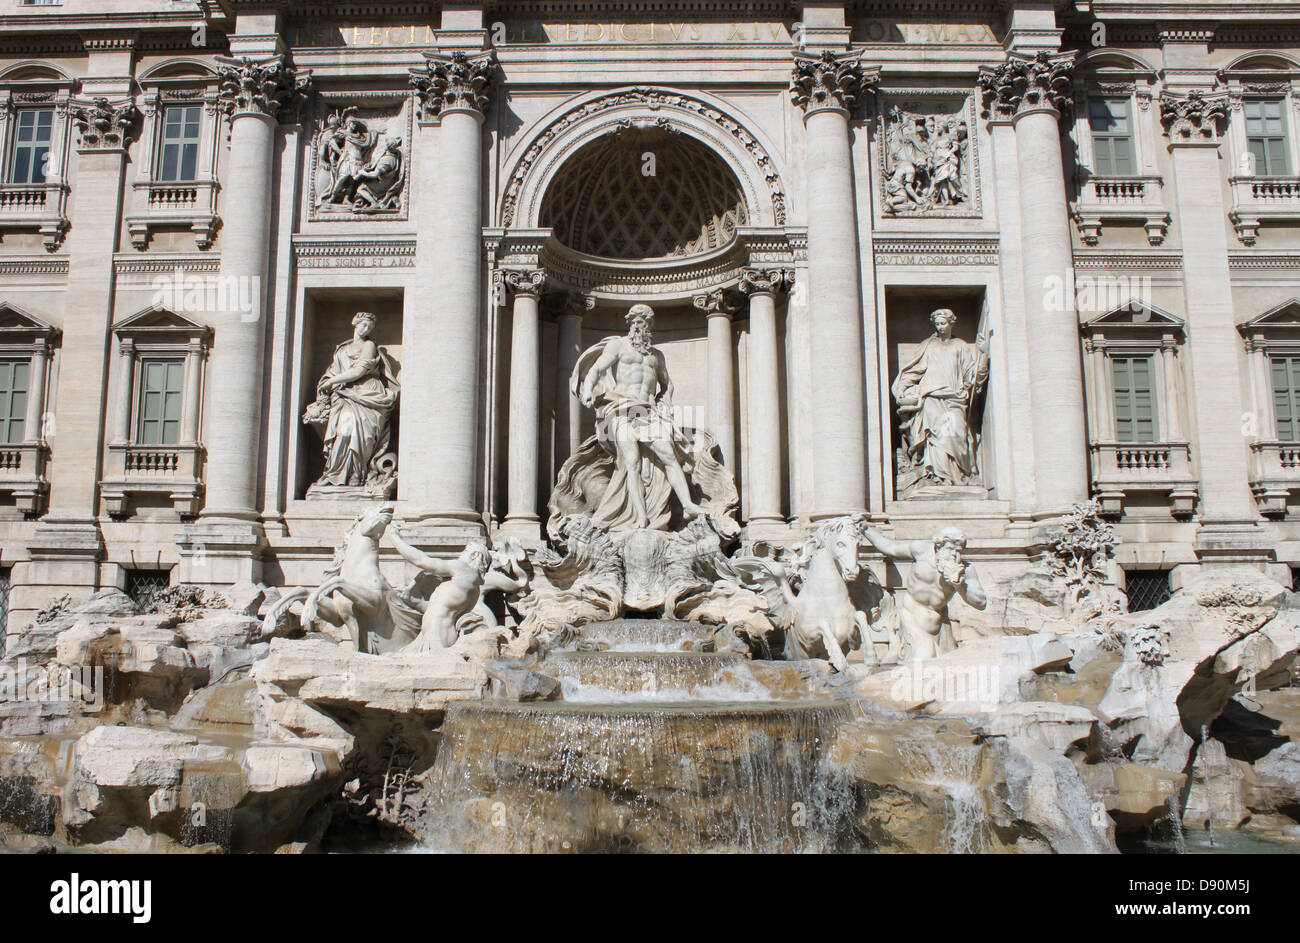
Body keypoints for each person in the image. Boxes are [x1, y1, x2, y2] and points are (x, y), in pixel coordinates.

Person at [577, 304, 704, 529]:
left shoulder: (657, 357)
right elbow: (596, 370)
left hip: (647, 410)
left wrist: (666, 402)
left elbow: (667, 384)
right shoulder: (618, 346)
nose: (639, 326)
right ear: (629, 324)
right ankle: (640, 516)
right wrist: (587, 389)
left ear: (649, 326)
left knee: (669, 456)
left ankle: (687, 506)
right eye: (635, 321)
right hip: (620, 407)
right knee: (632, 461)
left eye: (643, 322)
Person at [891, 308, 989, 488]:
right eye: (937, 324)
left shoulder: (960, 345)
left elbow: (974, 376)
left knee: (956, 432)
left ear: (951, 323)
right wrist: (903, 387)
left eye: (943, 323)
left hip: (955, 398)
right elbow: (914, 370)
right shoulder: (929, 345)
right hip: (931, 397)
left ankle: (958, 475)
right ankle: (939, 477)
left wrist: (983, 354)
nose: (940, 327)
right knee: (936, 436)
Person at [861, 525, 987, 661]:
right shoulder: (920, 550)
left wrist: (959, 585)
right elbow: (890, 548)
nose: (954, 555)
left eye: (958, 551)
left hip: (940, 627)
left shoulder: (965, 570)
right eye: (950, 549)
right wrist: (865, 529)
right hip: (912, 619)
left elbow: (981, 603)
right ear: (938, 546)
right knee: (924, 660)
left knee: (947, 669)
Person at [304, 311, 400, 489]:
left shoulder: (369, 345)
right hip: (343, 395)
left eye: (370, 327)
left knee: (358, 435)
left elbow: (358, 372)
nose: (366, 329)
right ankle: (334, 474)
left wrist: (332, 381)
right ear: (355, 323)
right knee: (343, 433)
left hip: (366, 394)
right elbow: (333, 370)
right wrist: (327, 381)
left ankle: (357, 475)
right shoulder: (342, 349)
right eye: (363, 325)